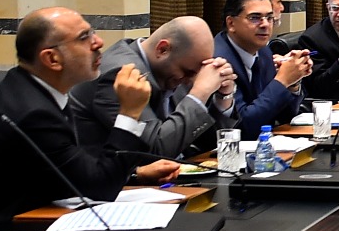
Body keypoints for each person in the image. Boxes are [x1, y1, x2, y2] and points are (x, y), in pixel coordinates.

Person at [0, 8, 178, 231]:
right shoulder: (32, 112)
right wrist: (129, 113)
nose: (99, 42)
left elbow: (74, 171)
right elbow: (99, 189)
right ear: (52, 58)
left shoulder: (36, 90)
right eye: (84, 38)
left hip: (39, 216)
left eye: (92, 33)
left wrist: (135, 173)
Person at [71, 15, 239, 159]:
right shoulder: (121, 74)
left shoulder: (175, 67)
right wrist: (199, 93)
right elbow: (155, 151)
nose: (191, 81)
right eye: (188, 72)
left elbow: (206, 142)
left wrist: (223, 98)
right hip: (117, 182)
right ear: (162, 49)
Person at [217, 0, 310, 136]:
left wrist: (293, 83)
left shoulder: (264, 51)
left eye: (269, 17)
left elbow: (285, 116)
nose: (265, 24)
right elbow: (243, 126)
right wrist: (282, 81)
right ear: (231, 23)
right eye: (255, 18)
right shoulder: (220, 61)